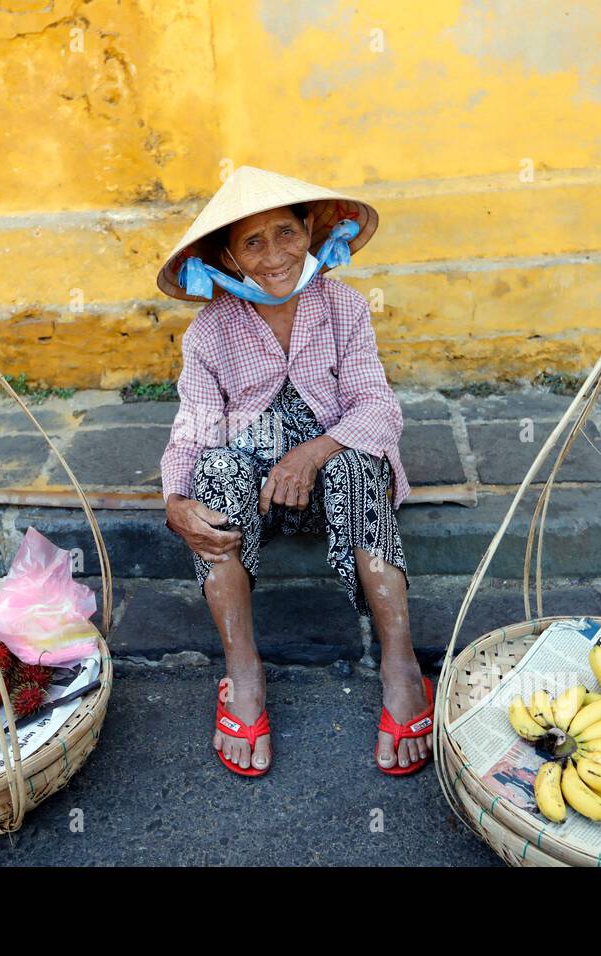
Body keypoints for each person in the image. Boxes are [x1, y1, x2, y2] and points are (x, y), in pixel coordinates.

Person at [156, 166, 430, 778]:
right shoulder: (209, 332)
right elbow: (194, 427)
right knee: (213, 478)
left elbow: (377, 408)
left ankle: (401, 665)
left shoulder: (343, 307)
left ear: (311, 230)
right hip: (256, 481)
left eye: (287, 232)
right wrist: (175, 502)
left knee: (360, 468)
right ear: (227, 255)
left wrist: (312, 452)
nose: (275, 255)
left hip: (337, 465)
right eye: (253, 242)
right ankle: (244, 671)